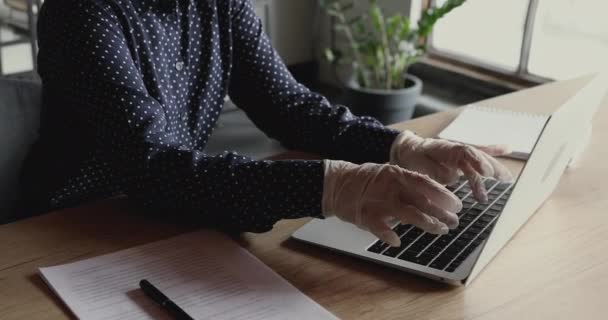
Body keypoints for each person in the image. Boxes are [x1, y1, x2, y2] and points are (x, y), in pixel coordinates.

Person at [18, 0, 512, 247]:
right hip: (72, 226)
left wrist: (399, 146)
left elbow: (289, 106)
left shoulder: (221, 4)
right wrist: (333, 186)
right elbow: (154, 167)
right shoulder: (81, 13)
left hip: (169, 213)